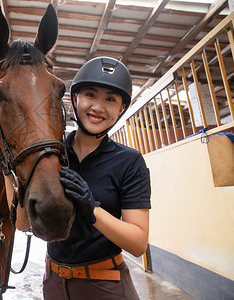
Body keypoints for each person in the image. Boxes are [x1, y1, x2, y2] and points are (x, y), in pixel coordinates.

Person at [43, 56, 151, 300]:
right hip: (53, 282)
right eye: (90, 94)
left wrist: (92, 209)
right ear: (75, 98)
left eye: (110, 99)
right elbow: (22, 224)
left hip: (105, 285)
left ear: (121, 109)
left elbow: (138, 244)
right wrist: (9, 171)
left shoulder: (130, 162)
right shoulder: (53, 154)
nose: (98, 107)